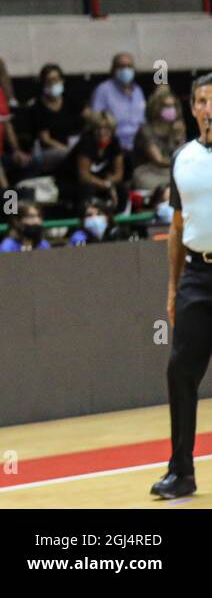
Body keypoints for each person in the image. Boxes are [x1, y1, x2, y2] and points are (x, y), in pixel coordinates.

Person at [151, 73, 212, 500]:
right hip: (197, 276)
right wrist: (173, 289)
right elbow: (176, 227)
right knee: (180, 371)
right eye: (203, 101)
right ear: (192, 109)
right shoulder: (182, 158)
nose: (210, 108)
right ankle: (181, 472)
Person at [58, 110, 125, 212]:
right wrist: (104, 184)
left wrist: (109, 183)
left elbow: (118, 174)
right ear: (93, 130)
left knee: (122, 188)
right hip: (72, 182)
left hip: (101, 181)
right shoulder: (86, 143)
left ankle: (119, 217)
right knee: (87, 188)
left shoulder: (114, 142)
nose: (102, 132)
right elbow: (84, 176)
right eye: (98, 128)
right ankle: (84, 216)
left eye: (106, 129)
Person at [28, 63, 81, 175]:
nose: (52, 84)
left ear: (62, 81)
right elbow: (45, 139)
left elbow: (88, 116)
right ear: (43, 84)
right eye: (48, 81)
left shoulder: (69, 100)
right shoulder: (38, 107)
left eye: (56, 80)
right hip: (49, 151)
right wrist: (67, 149)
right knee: (71, 156)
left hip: (72, 144)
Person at [133, 85, 186, 192]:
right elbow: (158, 160)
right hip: (150, 171)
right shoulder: (146, 130)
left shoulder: (177, 128)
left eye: (173, 106)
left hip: (173, 169)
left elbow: (181, 155)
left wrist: (178, 137)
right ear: (156, 108)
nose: (171, 110)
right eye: (166, 107)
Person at [90, 52, 145, 153]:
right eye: (121, 66)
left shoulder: (138, 90)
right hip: (115, 144)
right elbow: (96, 120)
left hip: (139, 143)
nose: (125, 70)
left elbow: (143, 121)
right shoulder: (103, 90)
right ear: (113, 69)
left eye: (129, 66)